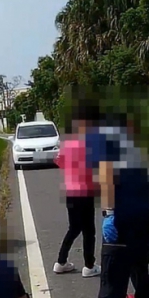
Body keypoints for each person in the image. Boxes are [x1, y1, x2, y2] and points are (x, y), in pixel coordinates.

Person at [71, 112, 149, 298]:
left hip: (122, 219)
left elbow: (107, 178)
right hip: (143, 216)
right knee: (140, 272)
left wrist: (109, 214)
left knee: (112, 281)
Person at [53, 104, 101, 278]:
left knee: (74, 228)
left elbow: (58, 161)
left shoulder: (68, 142)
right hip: (86, 192)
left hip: (70, 192)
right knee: (89, 230)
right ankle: (89, 265)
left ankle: (61, 261)